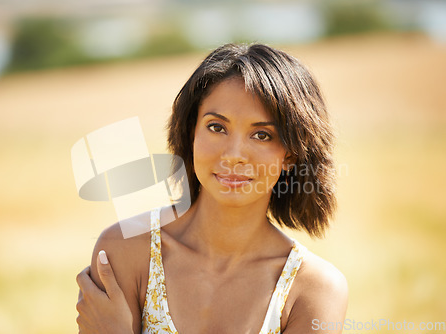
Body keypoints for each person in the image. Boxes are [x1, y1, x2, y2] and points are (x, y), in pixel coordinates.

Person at [75, 43, 348, 334]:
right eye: (217, 127)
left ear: (290, 156)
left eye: (261, 135)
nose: (233, 154)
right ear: (191, 132)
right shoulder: (124, 251)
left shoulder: (314, 290)